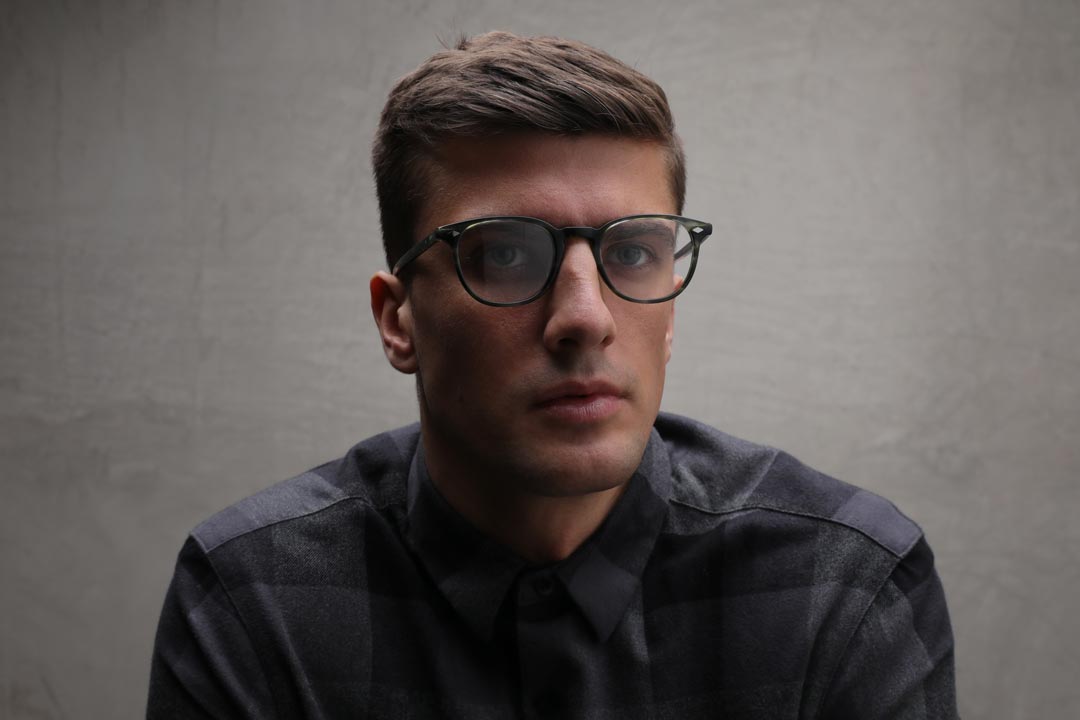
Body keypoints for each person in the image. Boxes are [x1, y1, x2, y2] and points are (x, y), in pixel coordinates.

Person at [147, 32, 957, 719]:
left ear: (668, 315)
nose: (586, 317)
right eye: (504, 253)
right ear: (399, 320)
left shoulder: (844, 590)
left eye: (633, 253)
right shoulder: (257, 601)